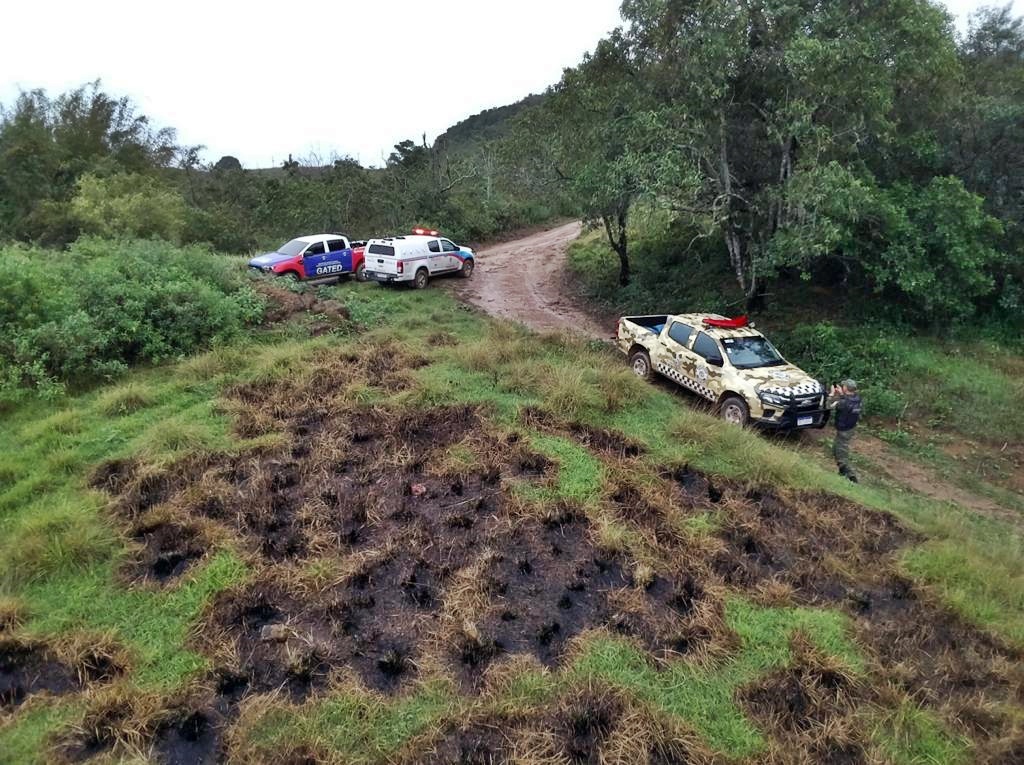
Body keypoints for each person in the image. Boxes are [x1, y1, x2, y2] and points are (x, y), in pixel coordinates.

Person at [827, 379, 862, 482]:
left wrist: (832, 394)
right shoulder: (857, 399)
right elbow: (848, 401)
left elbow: (827, 406)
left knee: (840, 453)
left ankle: (851, 476)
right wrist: (842, 395)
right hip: (850, 428)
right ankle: (842, 472)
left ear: (845, 388)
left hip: (843, 431)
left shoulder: (842, 403)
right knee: (836, 449)